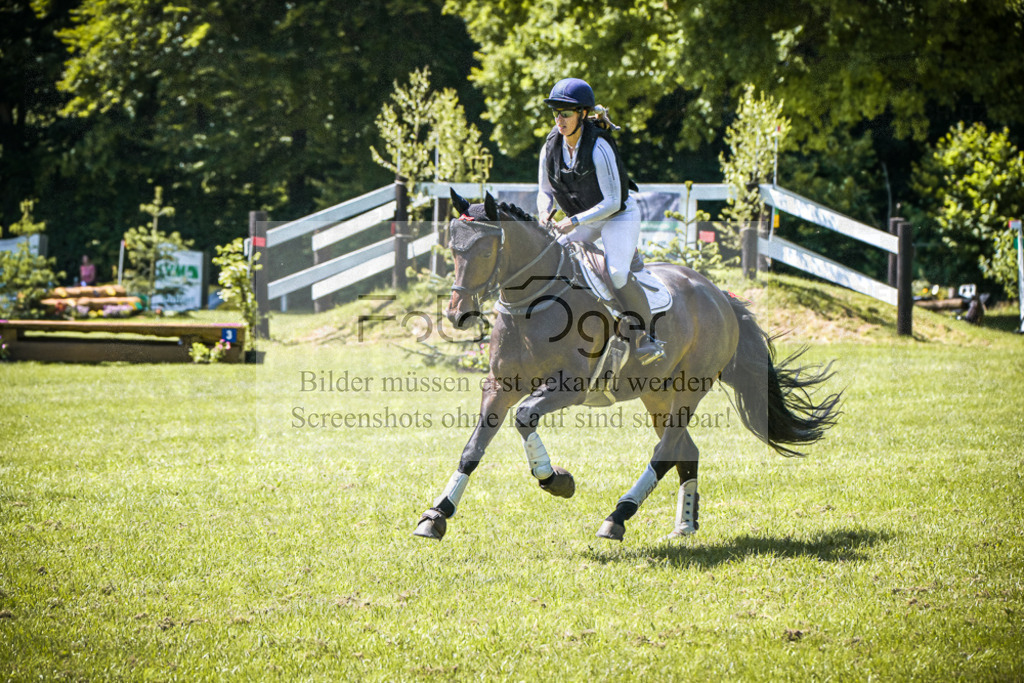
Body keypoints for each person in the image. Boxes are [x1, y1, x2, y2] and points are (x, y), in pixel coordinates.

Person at [537, 77, 664, 365]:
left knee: (616, 273)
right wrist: (545, 211)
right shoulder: (550, 147)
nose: (560, 119)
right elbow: (544, 191)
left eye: (566, 113)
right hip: (583, 219)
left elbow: (612, 202)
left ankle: (647, 337)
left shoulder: (599, 147)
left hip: (618, 215)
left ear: (583, 114)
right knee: (552, 259)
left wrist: (573, 221)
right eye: (555, 112)